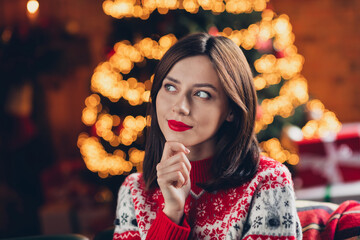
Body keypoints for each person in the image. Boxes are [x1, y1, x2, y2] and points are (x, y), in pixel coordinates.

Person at [113, 33, 302, 240]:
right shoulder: (134, 191)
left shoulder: (268, 181)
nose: (180, 107)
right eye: (170, 87)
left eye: (202, 94)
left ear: (231, 109)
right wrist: (172, 212)